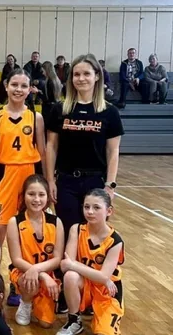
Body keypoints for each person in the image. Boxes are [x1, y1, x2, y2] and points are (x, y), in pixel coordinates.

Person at [45, 54, 123, 236]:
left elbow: (113, 151)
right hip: (66, 182)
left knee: (92, 234)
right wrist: (50, 180)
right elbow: (51, 147)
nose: (81, 79)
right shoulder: (60, 109)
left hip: (96, 182)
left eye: (86, 74)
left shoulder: (110, 112)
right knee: (67, 232)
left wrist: (110, 185)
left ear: (97, 76)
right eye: (76, 74)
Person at [0, 67, 46, 252]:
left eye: (24, 86)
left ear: (30, 89)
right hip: (6, 175)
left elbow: (43, 153)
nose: (19, 89)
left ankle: (26, 269)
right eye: (14, 85)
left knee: (32, 229)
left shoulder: (36, 117)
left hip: (31, 174)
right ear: (6, 86)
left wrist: (48, 183)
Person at [59, 189, 124, 335]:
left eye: (96, 208)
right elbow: (66, 265)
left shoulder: (115, 241)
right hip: (86, 284)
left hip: (107, 290)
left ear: (109, 211)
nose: (90, 211)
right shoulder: (76, 229)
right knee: (70, 276)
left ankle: (101, 314)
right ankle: (74, 320)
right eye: (86, 207)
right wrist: (73, 266)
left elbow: (103, 277)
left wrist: (74, 264)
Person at [6, 174, 65, 329]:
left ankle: (39, 302)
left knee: (46, 323)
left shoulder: (56, 222)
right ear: (23, 196)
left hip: (48, 273)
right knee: (31, 280)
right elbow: (16, 260)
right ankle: (25, 302)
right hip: (23, 272)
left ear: (48, 197)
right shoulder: (14, 222)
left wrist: (39, 271)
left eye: (41, 195)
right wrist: (40, 273)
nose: (36, 199)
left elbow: (57, 258)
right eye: (31, 194)